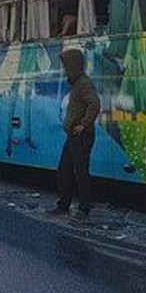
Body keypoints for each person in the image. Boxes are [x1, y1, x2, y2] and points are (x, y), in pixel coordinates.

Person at [50, 49, 100, 220]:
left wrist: (83, 125)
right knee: (64, 170)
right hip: (73, 135)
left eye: (66, 65)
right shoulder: (77, 83)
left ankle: (84, 208)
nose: (64, 69)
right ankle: (63, 205)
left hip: (81, 136)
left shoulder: (84, 83)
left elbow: (94, 104)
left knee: (81, 172)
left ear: (73, 66)